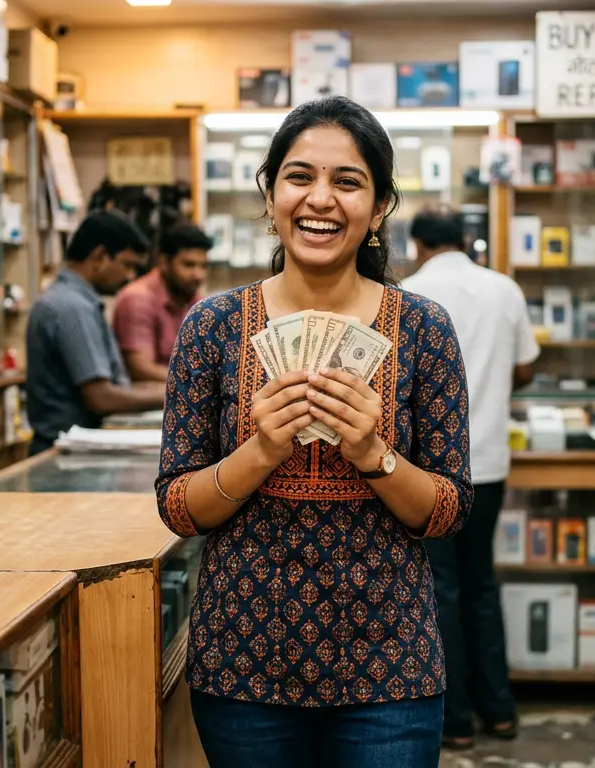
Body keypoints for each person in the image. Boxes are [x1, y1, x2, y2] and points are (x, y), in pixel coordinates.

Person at [155, 96, 472, 768]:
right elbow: (179, 507)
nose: (319, 200)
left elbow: (448, 511)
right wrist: (262, 450)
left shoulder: (425, 329)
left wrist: (375, 455)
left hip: (391, 670)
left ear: (381, 205)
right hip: (242, 666)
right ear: (270, 194)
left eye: (348, 182)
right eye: (299, 177)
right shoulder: (211, 328)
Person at [400, 207, 538, 750]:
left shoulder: (406, 296)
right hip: (489, 465)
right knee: (481, 582)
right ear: (467, 241)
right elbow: (526, 367)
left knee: (441, 591)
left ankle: (455, 722)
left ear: (417, 245)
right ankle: (499, 711)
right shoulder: (504, 289)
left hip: (426, 473)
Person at [25, 211, 166, 455]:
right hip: (66, 452)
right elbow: (101, 397)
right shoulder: (72, 308)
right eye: (127, 265)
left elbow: (111, 387)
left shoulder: (75, 301)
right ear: (99, 256)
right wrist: (174, 395)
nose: (131, 277)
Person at [112, 223, 212, 383]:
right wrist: (201, 384)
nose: (198, 275)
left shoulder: (194, 299)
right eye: (188, 265)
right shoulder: (138, 299)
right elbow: (141, 370)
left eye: (203, 266)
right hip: (147, 402)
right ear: (164, 262)